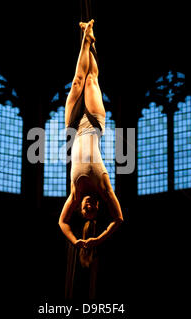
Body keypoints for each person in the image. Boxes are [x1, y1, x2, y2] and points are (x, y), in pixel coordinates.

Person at [58, 19, 124, 259]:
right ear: (98, 206)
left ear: (80, 210)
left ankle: (88, 36)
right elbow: (118, 219)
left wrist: (77, 242)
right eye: (94, 210)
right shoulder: (104, 188)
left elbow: (62, 223)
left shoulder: (74, 196)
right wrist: (98, 239)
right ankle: (88, 36)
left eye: (87, 212)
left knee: (76, 81)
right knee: (90, 80)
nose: (90, 207)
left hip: (73, 128)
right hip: (94, 124)